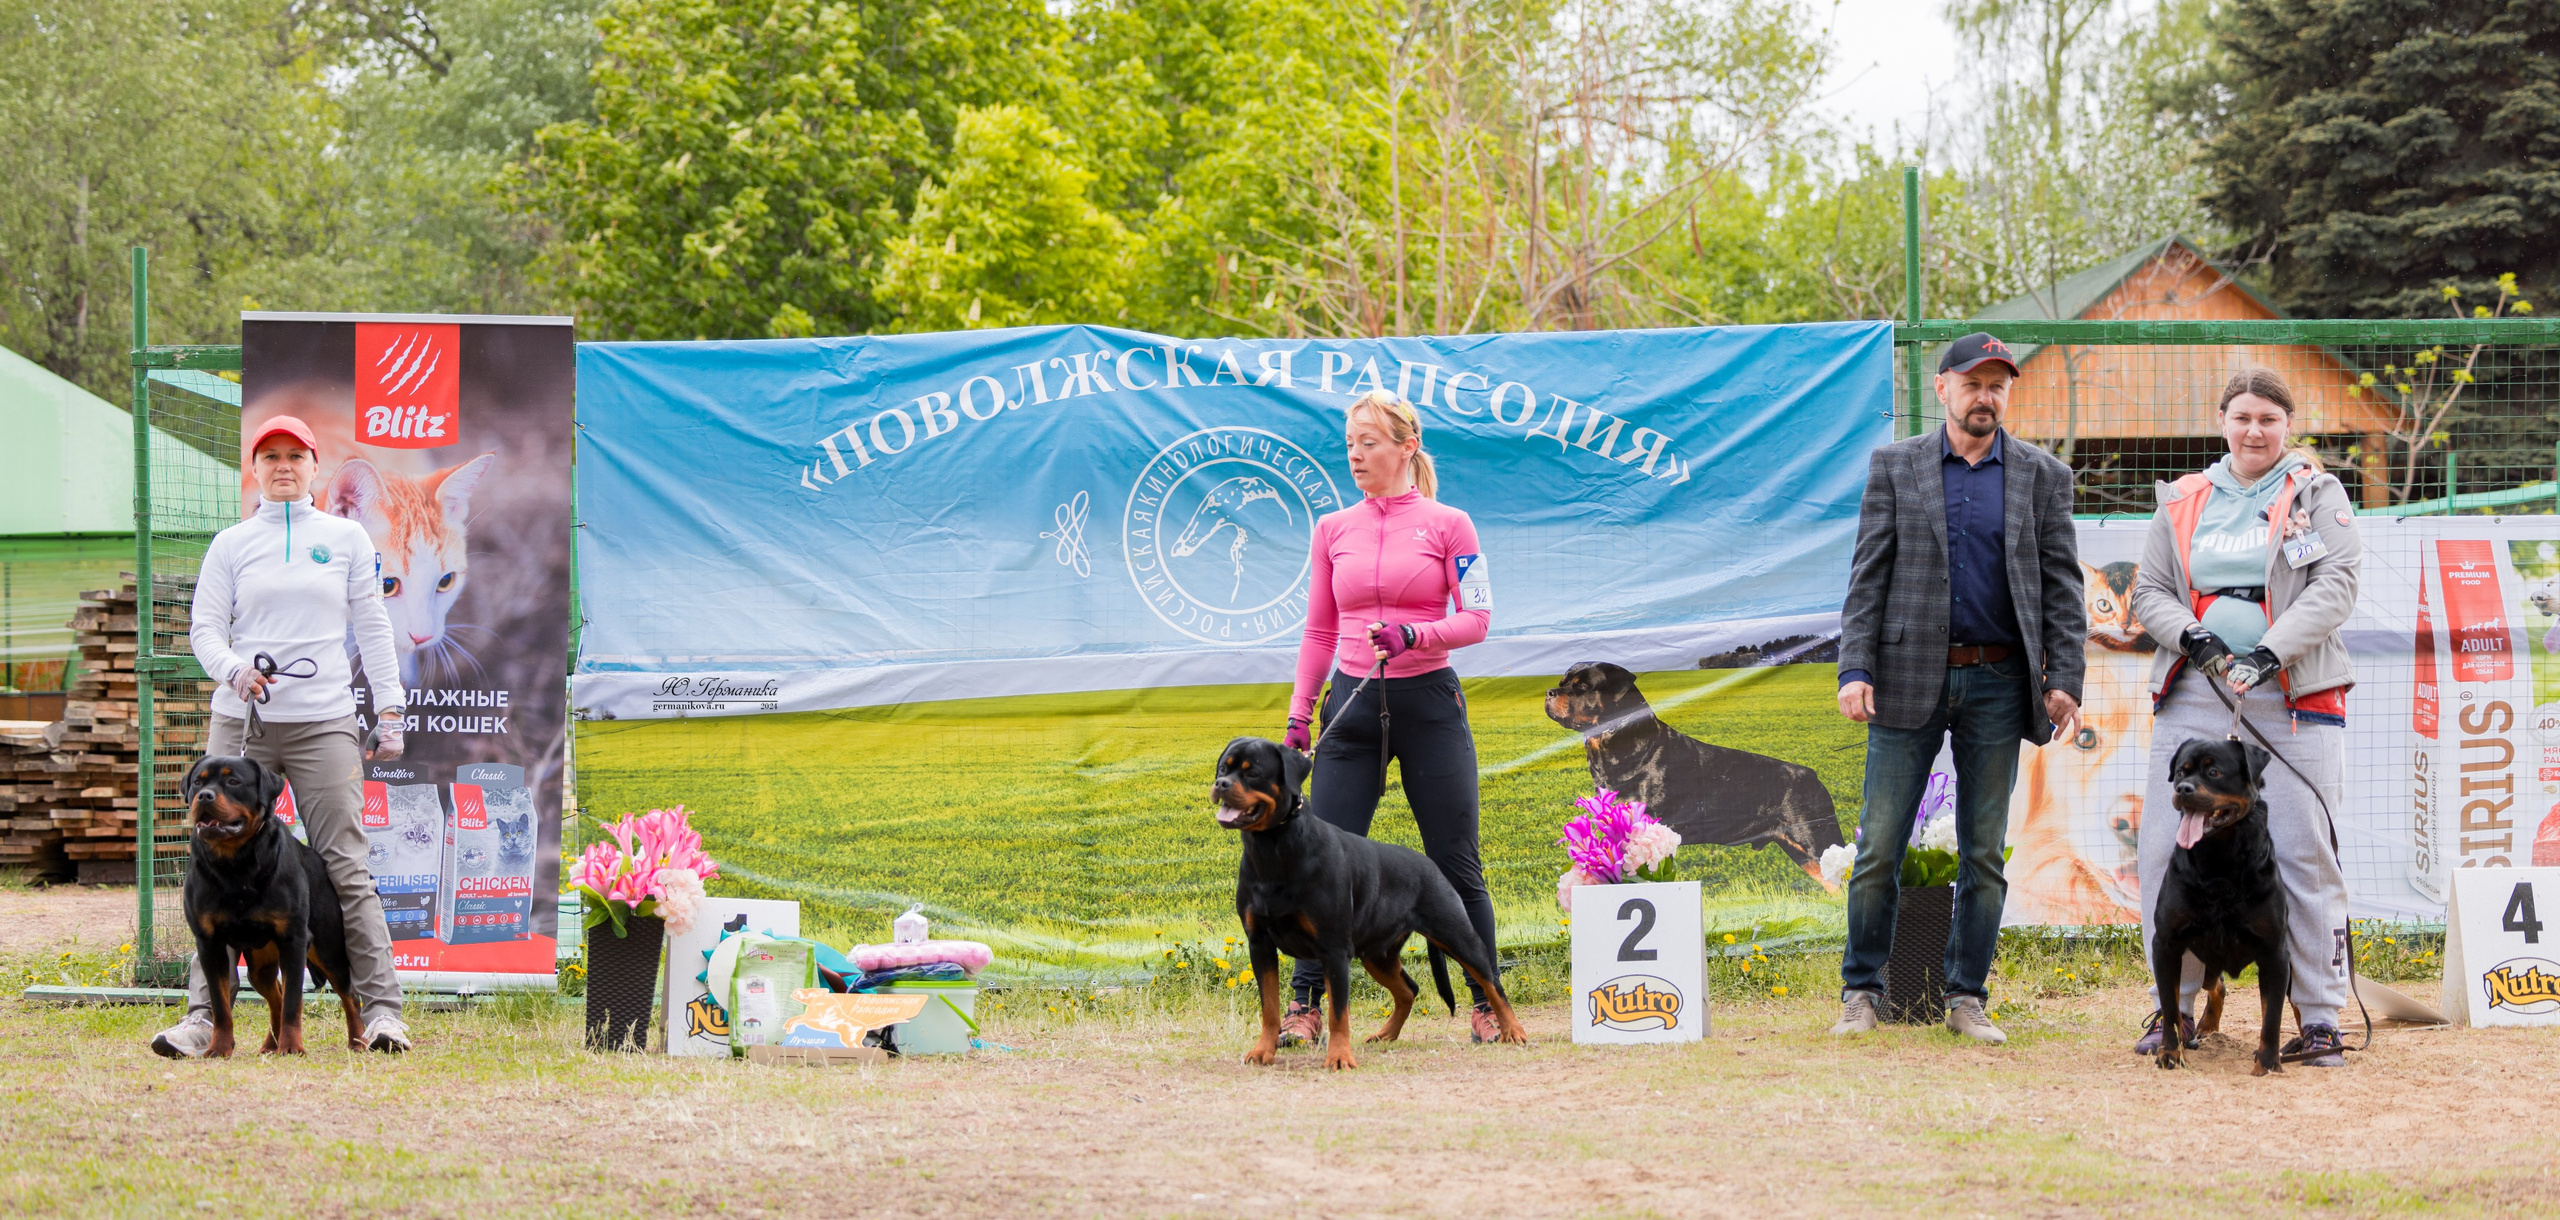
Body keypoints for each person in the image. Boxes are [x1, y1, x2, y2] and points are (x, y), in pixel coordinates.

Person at [1832, 332, 2086, 1043]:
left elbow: (2063, 589)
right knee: (1879, 845)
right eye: (1974, 382)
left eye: (1999, 384)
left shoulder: (2043, 476)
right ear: (1942, 388)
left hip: (2002, 683)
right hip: (1907, 677)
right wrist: (1855, 669)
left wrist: (2063, 678)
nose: (1987, 396)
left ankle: (1966, 997)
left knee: (1984, 851)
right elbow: (1867, 579)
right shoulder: (1895, 467)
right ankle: (1862, 990)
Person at [150, 415, 414, 1058]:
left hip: (324, 719)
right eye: (270, 456)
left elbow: (374, 630)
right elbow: (204, 631)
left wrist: (391, 711)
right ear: (255, 469)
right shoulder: (231, 544)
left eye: (295, 455)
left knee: (346, 865)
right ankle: (202, 1020)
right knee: (208, 862)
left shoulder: (348, 538)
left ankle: (383, 1014)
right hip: (244, 720)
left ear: (315, 466)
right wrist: (234, 670)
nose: (283, 466)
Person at [2130, 367, 2360, 1067]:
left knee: (2302, 853)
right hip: (2195, 688)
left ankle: (2319, 1019)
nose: (2255, 430)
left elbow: (2336, 587)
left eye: (2269, 418)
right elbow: (2150, 591)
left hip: (2289, 691)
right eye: (2242, 417)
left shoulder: (2318, 493)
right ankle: (2175, 1012)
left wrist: (2267, 652)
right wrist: (2192, 638)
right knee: (2168, 853)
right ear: (2223, 421)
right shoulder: (2183, 497)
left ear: (2287, 424)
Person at [1277, 389, 1500, 1045]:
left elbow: (1478, 619)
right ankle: (1304, 1007)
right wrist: (1298, 718)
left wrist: (1417, 637)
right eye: (1349, 444)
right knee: (1317, 864)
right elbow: (1319, 631)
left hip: (1428, 703)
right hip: (1348, 709)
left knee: (1457, 864)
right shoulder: (1332, 529)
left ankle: (1487, 1003)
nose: (1355, 456)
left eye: (1369, 443)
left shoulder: (1451, 523)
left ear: (1407, 448)